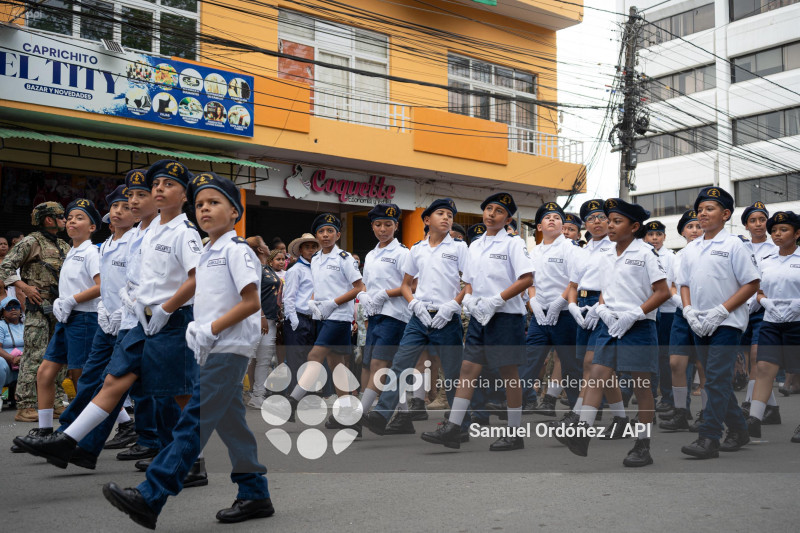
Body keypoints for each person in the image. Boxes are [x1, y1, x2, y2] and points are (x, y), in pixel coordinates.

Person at [14, 160, 205, 480]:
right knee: (113, 379)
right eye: (156, 184)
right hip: (142, 320)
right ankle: (70, 441)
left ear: (185, 195)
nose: (159, 189)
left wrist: (166, 309)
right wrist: (129, 300)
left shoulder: (185, 233)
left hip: (172, 318)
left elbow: (196, 278)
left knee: (179, 393)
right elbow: (141, 276)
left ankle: (194, 463)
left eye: (169, 185)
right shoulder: (152, 230)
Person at [102, 172, 273, 529]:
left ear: (235, 212)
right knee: (233, 426)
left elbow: (250, 302)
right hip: (212, 346)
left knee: (193, 421)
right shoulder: (208, 251)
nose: (205, 209)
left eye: (214, 203)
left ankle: (152, 494)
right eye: (199, 204)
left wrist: (210, 328)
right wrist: (199, 328)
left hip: (230, 347)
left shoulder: (237, 250)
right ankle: (255, 493)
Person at [560, 198, 669, 467]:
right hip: (610, 323)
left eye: (617, 221)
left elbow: (662, 292)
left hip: (639, 325)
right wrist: (603, 309)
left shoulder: (646, 253)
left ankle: (643, 444)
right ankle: (582, 432)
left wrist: (635, 314)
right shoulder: (606, 255)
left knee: (641, 386)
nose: (610, 225)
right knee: (596, 374)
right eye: (609, 221)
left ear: (634, 227)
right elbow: (604, 291)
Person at [421, 193, 532, 450]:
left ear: (508, 219)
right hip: (480, 316)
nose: (492, 214)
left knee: (509, 373)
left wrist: (496, 300)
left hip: (505, 316)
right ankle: (454, 427)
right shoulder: (476, 245)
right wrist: (469, 299)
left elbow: (526, 279)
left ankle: (515, 432)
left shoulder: (513, 244)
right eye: (488, 208)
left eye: (499, 211)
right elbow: (468, 281)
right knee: (468, 369)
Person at [362, 198, 467, 438]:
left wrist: (453, 305)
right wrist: (414, 303)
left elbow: (470, 283)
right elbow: (406, 284)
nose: (446, 218)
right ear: (427, 220)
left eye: (450, 215)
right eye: (441, 213)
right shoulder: (417, 249)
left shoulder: (459, 248)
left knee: (452, 372)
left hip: (446, 317)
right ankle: (381, 415)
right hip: (419, 316)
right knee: (400, 365)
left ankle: (460, 425)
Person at [678, 186, 760, 458]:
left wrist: (721, 311)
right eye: (700, 209)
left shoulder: (734, 245)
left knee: (713, 380)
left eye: (709, 209)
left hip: (727, 322)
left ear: (725, 214)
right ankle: (739, 429)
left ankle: (709, 437)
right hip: (699, 322)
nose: (702, 213)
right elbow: (684, 283)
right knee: (717, 381)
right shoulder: (692, 248)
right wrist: (688, 310)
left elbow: (751, 284)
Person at [28, 199, 101, 439]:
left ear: (92, 227)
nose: (71, 221)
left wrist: (71, 300)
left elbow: (101, 286)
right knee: (45, 373)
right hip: (67, 319)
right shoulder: (71, 251)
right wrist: (62, 301)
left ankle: (85, 433)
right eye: (69, 218)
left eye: (79, 218)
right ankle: (44, 429)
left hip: (85, 319)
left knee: (82, 379)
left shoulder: (92, 252)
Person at [284, 214, 364, 428]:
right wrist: (313, 301)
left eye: (330, 231)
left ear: (338, 234)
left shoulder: (344, 258)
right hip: (322, 316)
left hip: (338, 316)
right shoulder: (316, 259)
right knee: (336, 364)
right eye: (321, 231)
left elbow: (359, 287)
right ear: (317, 235)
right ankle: (349, 417)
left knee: (314, 356)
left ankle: (293, 400)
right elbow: (319, 288)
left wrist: (333, 303)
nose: (325, 235)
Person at [0, 202, 70, 422]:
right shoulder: (31, 241)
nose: (65, 220)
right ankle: (26, 405)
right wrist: (25, 288)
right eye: (61, 216)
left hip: (59, 308)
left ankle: (55, 402)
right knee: (34, 356)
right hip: (38, 307)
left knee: (59, 356)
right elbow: (5, 267)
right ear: (48, 219)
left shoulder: (62, 244)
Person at [521, 202, 583, 415]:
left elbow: (574, 281)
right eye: (547, 217)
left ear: (562, 225)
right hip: (540, 316)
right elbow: (530, 281)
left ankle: (577, 414)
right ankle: (514, 405)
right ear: (539, 227)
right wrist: (533, 302)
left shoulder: (570, 248)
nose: (552, 220)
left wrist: (559, 303)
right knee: (529, 361)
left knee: (570, 366)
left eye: (557, 218)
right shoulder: (534, 251)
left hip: (563, 316)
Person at [356, 204, 412, 433]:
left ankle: (357, 415)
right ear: (372, 227)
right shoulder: (370, 254)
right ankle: (404, 417)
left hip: (395, 315)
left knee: (379, 365)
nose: (382, 229)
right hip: (375, 315)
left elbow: (412, 285)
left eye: (388, 224)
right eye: (378, 225)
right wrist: (364, 295)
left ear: (396, 226)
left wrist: (384, 294)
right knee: (374, 364)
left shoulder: (403, 253)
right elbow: (367, 283)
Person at [745, 211, 800, 443]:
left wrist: (797, 305)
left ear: (797, 233)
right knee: (764, 368)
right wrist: (764, 301)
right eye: (774, 231)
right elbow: (758, 290)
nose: (777, 234)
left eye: (784, 230)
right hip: (772, 321)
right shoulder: (766, 260)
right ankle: (754, 419)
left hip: (797, 321)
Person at [660, 210, 705, 432]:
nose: (695, 230)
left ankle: (706, 412)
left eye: (698, 226)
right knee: (676, 362)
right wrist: (683, 305)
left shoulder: (709, 252)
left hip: (705, 312)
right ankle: (680, 411)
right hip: (682, 313)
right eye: (690, 226)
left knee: (703, 364)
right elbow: (670, 286)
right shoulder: (677, 257)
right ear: (682, 232)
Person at [738, 202, 778, 416]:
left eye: (762, 220)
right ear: (746, 225)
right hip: (741, 307)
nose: (758, 224)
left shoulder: (775, 248)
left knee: (757, 355)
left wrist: (759, 300)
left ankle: (749, 403)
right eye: (753, 220)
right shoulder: (740, 248)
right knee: (747, 358)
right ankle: (772, 408)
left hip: (764, 308)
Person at [643, 220, 677, 413]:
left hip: (667, 312)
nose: (654, 238)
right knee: (649, 357)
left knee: (664, 357)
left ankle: (667, 396)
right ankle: (649, 395)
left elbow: (672, 284)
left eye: (658, 234)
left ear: (664, 237)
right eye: (650, 234)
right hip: (648, 311)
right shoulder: (643, 254)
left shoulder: (670, 257)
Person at [282, 233, 319, 392]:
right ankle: (293, 395)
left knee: (309, 359)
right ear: (300, 250)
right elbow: (289, 297)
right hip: (298, 317)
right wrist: (293, 319)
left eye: (314, 247)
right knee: (295, 360)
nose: (311, 250)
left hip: (313, 318)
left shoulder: (317, 269)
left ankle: (304, 393)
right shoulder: (296, 270)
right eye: (307, 247)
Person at [248, 238, 282, 409]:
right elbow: (252, 293)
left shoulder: (267, 268)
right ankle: (230, 395)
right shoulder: (253, 267)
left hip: (271, 320)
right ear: (260, 250)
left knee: (264, 359)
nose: (268, 247)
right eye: (265, 244)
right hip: (256, 319)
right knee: (247, 357)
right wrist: (261, 315)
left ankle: (258, 395)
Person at [0, 296, 24, 403]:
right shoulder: (1, 325)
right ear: (2, 312)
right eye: (9, 307)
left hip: (26, 364)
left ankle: (55, 398)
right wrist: (12, 359)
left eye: (16, 306)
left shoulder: (26, 324)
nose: (13, 309)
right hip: (8, 366)